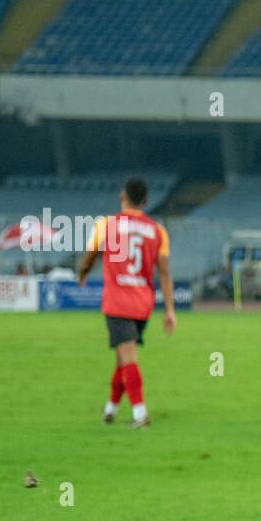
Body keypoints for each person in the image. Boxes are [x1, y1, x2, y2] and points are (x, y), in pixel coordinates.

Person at [76, 178, 176, 429]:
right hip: (143, 304)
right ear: (145, 202)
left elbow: (90, 257)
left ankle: (140, 414)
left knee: (128, 356)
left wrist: (82, 274)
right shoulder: (157, 230)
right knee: (122, 358)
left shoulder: (106, 225)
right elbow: (164, 272)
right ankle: (110, 409)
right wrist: (170, 310)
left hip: (118, 302)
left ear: (122, 196)